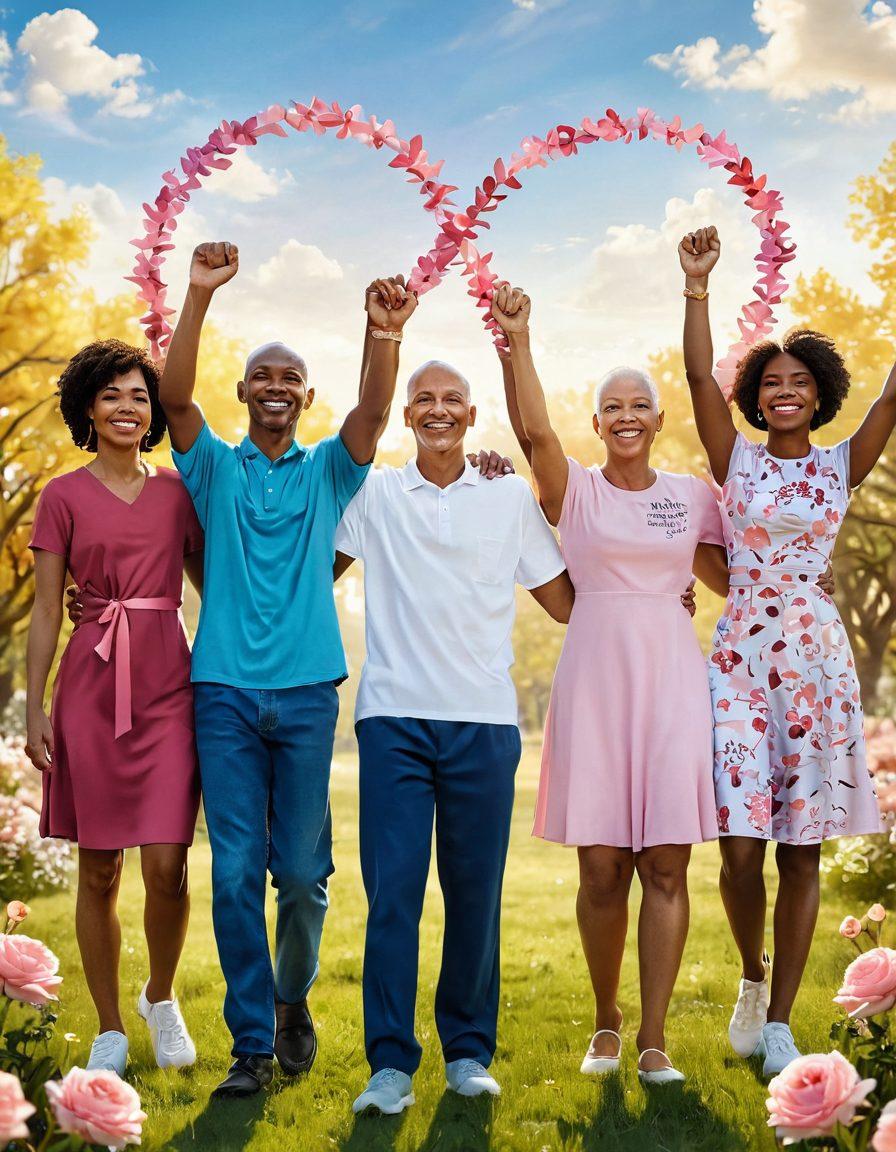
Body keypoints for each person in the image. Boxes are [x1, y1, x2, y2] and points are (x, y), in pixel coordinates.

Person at [159, 242, 416, 1098]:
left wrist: (382, 335)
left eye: (291, 377)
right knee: (233, 870)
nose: (276, 384)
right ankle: (252, 1044)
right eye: (262, 374)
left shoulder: (329, 473)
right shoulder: (214, 469)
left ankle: (291, 997)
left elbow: (374, 418)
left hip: (307, 692)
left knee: (302, 877)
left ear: (305, 396)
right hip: (223, 690)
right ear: (245, 393)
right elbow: (174, 398)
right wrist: (196, 294)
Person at [489, 282, 735, 1085]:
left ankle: (655, 1038)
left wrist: (802, 582)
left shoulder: (694, 498)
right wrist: (519, 337)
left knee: (666, 864)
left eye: (640, 403)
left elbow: (736, 573)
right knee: (601, 870)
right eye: (610, 405)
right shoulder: (577, 493)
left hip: (670, 688)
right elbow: (531, 430)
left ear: (660, 421)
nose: (626, 414)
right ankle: (606, 1022)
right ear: (596, 423)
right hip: (595, 687)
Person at [336, 351, 572, 1116]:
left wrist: (658, 583)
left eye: (454, 399)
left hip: (484, 721)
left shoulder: (507, 498)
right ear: (406, 416)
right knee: (393, 896)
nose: (438, 409)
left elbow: (566, 602)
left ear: (473, 416)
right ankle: (391, 1065)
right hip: (394, 718)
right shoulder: (372, 494)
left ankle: (468, 1052)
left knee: (475, 893)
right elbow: (310, 575)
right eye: (424, 399)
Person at [678, 226, 889, 1077]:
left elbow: (893, 397)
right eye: (773, 384)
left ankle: (782, 1024)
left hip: (816, 665)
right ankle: (752, 978)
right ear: (756, 400)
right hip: (737, 664)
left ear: (820, 393)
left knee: (802, 848)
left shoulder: (842, 466)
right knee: (738, 846)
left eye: (801, 381)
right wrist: (697, 286)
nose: (787, 392)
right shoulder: (733, 460)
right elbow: (698, 376)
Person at [25, 339, 203, 1077]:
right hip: (92, 690)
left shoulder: (177, 492)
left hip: (168, 686)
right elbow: (43, 611)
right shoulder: (61, 496)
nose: (127, 408)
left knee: (169, 865)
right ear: (87, 410)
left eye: (139, 396)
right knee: (98, 871)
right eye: (111, 396)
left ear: (153, 410)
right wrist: (31, 704)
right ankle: (107, 1028)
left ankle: (159, 999)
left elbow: (216, 583)